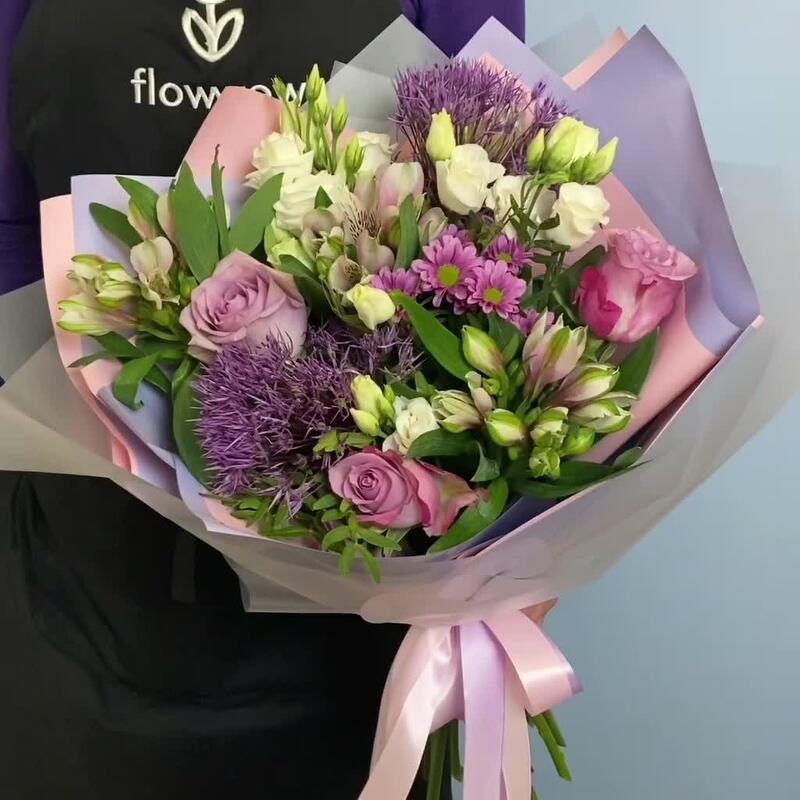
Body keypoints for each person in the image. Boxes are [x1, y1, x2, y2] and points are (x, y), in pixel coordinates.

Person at [0, 2, 526, 798]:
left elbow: (501, 222)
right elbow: (8, 235)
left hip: (357, 615)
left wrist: (510, 552)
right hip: (80, 597)